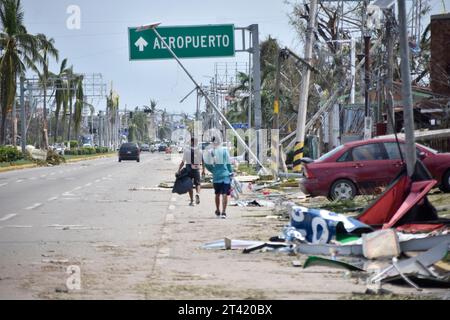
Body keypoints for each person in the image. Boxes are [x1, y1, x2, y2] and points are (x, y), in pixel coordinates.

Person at [204, 137, 233, 219]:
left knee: (217, 194)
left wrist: (213, 170)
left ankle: (217, 210)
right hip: (225, 175)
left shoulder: (210, 152)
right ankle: (224, 212)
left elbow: (207, 164)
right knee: (225, 194)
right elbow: (228, 163)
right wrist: (231, 171)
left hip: (216, 176)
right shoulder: (224, 151)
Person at [178, 137, 203, 206]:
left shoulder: (187, 150)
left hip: (188, 168)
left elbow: (183, 162)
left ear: (191, 142)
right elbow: (203, 161)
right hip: (197, 168)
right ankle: (197, 194)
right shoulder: (200, 150)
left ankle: (192, 201)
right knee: (198, 183)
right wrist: (203, 170)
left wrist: (179, 170)